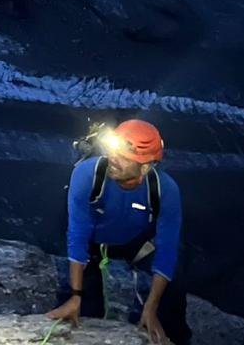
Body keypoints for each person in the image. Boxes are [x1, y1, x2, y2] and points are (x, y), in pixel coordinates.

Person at [47, 119, 190, 344]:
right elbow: (78, 233)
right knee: (85, 308)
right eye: (114, 152)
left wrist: (151, 308)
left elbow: (167, 249)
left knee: (172, 296)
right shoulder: (87, 174)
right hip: (93, 243)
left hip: (135, 242)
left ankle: (172, 335)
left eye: (124, 158)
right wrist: (76, 295)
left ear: (145, 166)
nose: (114, 159)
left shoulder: (165, 190)